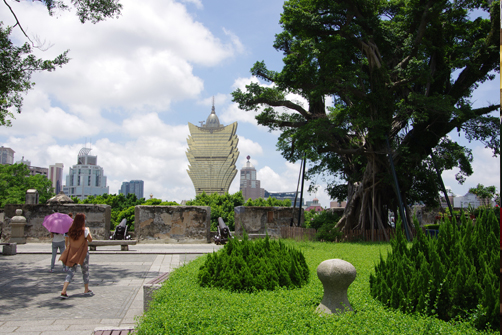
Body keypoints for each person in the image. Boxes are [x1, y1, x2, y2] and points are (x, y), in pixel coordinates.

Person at [59, 213, 93, 298]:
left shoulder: (71, 230)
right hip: (82, 252)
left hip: (73, 252)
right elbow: (90, 240)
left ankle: (64, 289)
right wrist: (88, 231)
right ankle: (86, 289)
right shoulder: (84, 230)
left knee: (71, 271)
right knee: (85, 270)